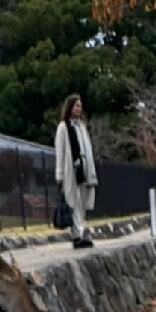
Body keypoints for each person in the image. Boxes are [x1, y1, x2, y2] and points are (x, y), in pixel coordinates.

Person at [55, 94, 96, 250]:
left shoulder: (82, 127)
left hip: (84, 170)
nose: (79, 108)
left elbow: (88, 149)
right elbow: (60, 152)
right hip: (71, 172)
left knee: (83, 203)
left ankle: (81, 231)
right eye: (76, 105)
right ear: (70, 107)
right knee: (74, 203)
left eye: (80, 106)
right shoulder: (63, 128)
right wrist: (59, 175)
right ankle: (77, 235)